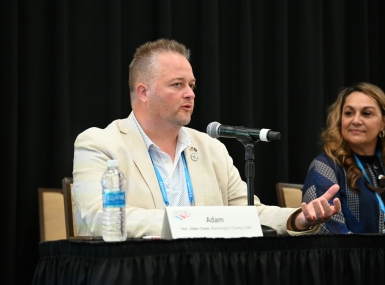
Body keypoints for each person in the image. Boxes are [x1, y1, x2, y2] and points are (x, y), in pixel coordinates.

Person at [73, 39, 341, 238]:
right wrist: (189, 222)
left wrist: (298, 218)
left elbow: (247, 214)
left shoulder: (211, 147)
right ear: (143, 92)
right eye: (177, 85)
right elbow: (101, 218)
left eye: (192, 85)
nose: (190, 94)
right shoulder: (99, 144)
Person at [303, 82, 385, 234]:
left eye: (366, 113)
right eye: (348, 113)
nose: (355, 120)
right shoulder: (325, 165)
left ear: (383, 123)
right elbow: (327, 232)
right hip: (355, 256)